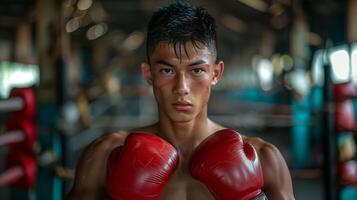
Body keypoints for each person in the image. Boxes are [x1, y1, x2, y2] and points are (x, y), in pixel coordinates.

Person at [66, 2, 294, 200]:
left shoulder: (264, 158)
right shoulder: (105, 155)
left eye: (196, 71)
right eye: (167, 70)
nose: (181, 88)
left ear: (215, 74)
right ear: (148, 74)